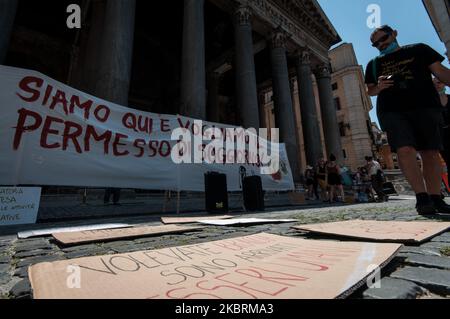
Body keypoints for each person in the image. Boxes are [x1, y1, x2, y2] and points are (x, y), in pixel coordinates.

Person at [365, 25, 450, 215]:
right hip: (392, 110)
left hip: (425, 106)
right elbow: (370, 91)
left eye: (383, 38)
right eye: (375, 43)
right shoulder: (374, 64)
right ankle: (422, 198)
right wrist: (378, 87)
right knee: (404, 150)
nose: (380, 44)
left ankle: (436, 197)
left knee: (430, 152)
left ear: (394, 33)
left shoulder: (419, 49)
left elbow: (441, 72)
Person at [433, 78, 450, 172]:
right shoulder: (430, 103)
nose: (437, 85)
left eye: (439, 82)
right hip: (441, 137)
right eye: (434, 84)